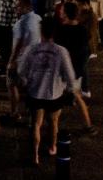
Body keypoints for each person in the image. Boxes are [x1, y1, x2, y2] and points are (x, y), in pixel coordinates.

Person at [18, 17, 90, 166]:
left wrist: (26, 81)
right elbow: (70, 75)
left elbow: (21, 70)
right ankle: (52, 147)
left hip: (35, 92)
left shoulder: (32, 49)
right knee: (53, 121)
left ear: (41, 31)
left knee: (36, 123)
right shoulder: (61, 51)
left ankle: (35, 154)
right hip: (54, 93)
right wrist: (70, 88)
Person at [6, 0, 40, 123]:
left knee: (12, 84)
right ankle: (32, 116)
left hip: (21, 60)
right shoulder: (38, 18)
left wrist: (11, 61)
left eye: (18, 7)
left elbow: (18, 44)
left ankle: (14, 112)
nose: (15, 9)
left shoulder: (20, 24)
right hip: (35, 59)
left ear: (25, 7)